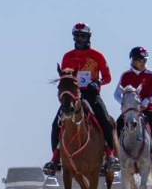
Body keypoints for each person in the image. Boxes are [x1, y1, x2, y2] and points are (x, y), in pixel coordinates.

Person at [43, 22, 120, 176]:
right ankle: (55, 160)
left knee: (105, 120)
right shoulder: (68, 56)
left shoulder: (97, 55)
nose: (80, 39)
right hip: (73, 95)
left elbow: (107, 77)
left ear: (88, 37)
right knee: (55, 125)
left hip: (91, 94)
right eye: (77, 36)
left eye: (83, 36)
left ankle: (110, 156)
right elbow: (65, 77)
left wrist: (97, 82)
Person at [114, 47, 152, 182]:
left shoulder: (151, 75)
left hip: (147, 110)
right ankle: (113, 159)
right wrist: (126, 104)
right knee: (115, 127)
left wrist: (147, 100)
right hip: (130, 112)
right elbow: (116, 94)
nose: (143, 62)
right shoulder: (126, 75)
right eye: (140, 60)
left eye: (144, 60)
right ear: (133, 60)